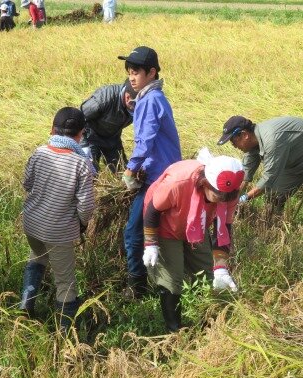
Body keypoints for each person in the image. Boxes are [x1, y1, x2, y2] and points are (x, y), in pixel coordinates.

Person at [143, 149, 244, 332]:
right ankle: (174, 331)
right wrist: (151, 243)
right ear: (205, 183)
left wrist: (220, 267)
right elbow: (153, 210)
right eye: (217, 197)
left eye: (225, 198)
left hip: (198, 225)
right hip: (167, 226)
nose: (221, 202)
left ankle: (209, 325)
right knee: (172, 281)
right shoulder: (179, 183)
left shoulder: (230, 193)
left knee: (207, 273)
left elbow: (223, 229)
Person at [19, 107, 95, 333]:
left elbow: (27, 184)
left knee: (37, 258)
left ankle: (25, 308)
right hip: (58, 232)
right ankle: (64, 336)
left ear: (52, 130)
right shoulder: (81, 164)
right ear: (80, 135)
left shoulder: (39, 152)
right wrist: (82, 224)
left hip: (32, 224)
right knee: (65, 281)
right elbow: (86, 206)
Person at [117, 46, 182, 299]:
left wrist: (131, 170)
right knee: (160, 231)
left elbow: (144, 140)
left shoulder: (150, 100)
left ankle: (137, 287)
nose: (131, 77)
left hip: (157, 178)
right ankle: (160, 281)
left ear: (152, 72)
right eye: (129, 73)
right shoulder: (151, 98)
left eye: (136, 72)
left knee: (133, 233)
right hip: (164, 173)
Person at [218, 115, 303, 226]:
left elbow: (269, 179)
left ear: (244, 135)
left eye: (233, 141)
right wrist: (232, 198)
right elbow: (244, 176)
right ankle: (276, 230)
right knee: (274, 197)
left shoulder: (272, 140)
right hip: (293, 162)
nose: (233, 145)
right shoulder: (252, 145)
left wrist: (244, 198)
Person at [80, 79, 137, 173]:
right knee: (90, 173)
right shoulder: (104, 98)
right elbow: (79, 118)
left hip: (112, 137)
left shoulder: (140, 104)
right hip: (90, 136)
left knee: (121, 172)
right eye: (136, 104)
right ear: (127, 97)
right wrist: (83, 146)